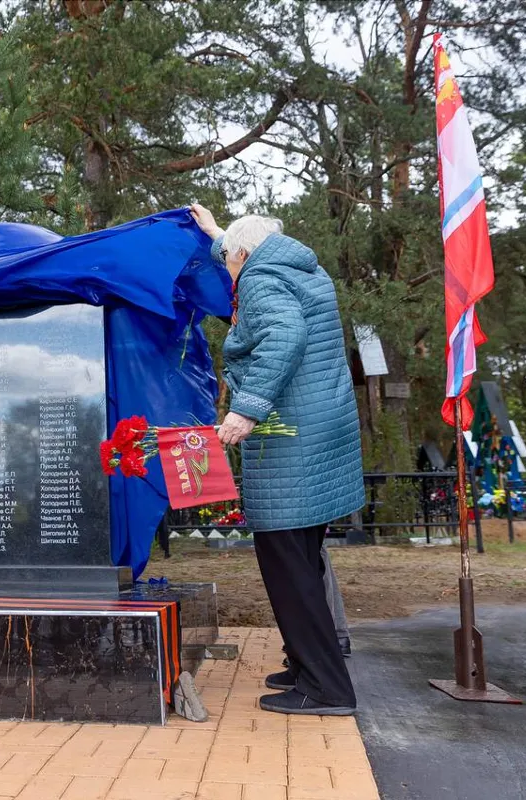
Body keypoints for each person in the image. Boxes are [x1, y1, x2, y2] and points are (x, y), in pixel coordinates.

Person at [191, 204, 363, 716]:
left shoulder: (260, 280)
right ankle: (309, 667)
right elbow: (243, 251)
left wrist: (245, 410)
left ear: (244, 255)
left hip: (291, 443)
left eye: (229, 260)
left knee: (287, 564)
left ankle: (326, 688)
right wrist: (216, 232)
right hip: (320, 432)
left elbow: (283, 337)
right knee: (302, 558)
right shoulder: (300, 268)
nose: (228, 272)